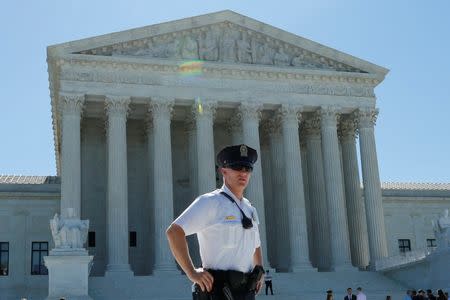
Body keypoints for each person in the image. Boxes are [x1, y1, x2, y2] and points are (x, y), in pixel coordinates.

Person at [166, 144, 264, 300]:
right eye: (237, 168)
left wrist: (260, 270)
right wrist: (191, 272)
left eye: (247, 169)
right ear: (224, 171)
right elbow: (174, 232)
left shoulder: (249, 208)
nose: (243, 173)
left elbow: (256, 244)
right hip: (218, 290)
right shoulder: (210, 202)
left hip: (245, 292)